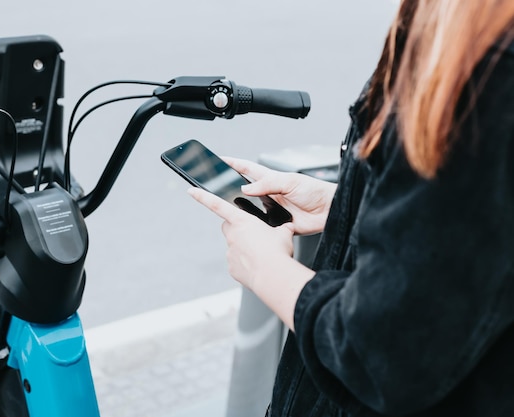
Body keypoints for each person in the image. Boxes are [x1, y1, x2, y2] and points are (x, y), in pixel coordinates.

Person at [187, 1, 514, 416]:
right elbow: (476, 232)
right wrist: (346, 204)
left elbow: (380, 353)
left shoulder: (485, 71)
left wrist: (264, 267)